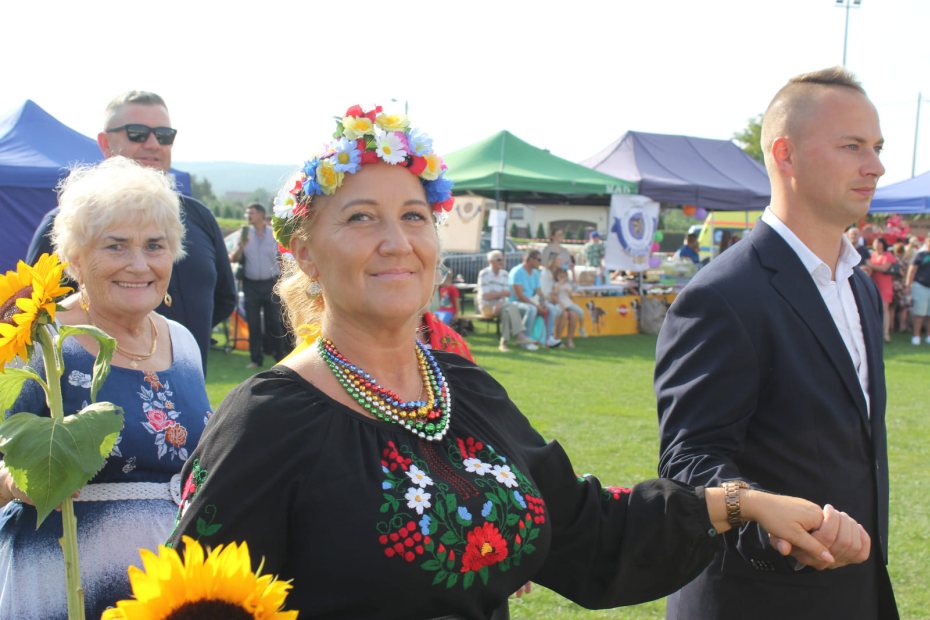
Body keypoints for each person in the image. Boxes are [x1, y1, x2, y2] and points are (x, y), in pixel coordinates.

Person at [167, 103, 863, 619]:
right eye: (360, 217)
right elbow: (196, 604)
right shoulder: (269, 421)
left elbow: (585, 530)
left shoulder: (463, 391)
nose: (396, 241)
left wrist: (740, 503)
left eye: (414, 216)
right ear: (305, 254)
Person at [655, 67, 898, 619]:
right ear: (785, 154)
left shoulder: (859, 286)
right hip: (755, 598)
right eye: (852, 146)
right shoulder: (722, 296)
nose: (876, 166)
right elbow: (690, 461)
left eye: (878, 147)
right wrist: (782, 531)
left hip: (853, 592)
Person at [0, 157, 212, 619]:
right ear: (75, 258)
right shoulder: (39, 342)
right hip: (61, 589)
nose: (139, 264)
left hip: (164, 592)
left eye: (155, 246)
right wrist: (13, 482)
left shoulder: (184, 343)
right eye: (116, 246)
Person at [25, 91, 236, 375]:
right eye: (137, 133)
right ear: (105, 143)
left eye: (164, 135)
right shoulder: (68, 224)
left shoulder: (198, 217)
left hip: (186, 383)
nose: (153, 144)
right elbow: (36, 315)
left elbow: (224, 298)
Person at [229, 203, 287, 369]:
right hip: (251, 284)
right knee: (253, 323)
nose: (248, 216)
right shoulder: (243, 234)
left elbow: (281, 257)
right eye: (247, 213)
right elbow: (234, 258)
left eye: (252, 213)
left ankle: (280, 357)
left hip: (271, 283)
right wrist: (241, 245)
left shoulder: (273, 234)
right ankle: (256, 359)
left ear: (261, 214)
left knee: (274, 322)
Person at [476, 250, 538, 352]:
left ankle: (503, 344)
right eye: (499, 259)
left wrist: (499, 300)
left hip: (501, 305)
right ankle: (520, 336)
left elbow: (508, 293)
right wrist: (501, 295)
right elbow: (485, 296)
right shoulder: (484, 274)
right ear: (491, 261)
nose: (502, 261)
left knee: (507, 311)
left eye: (502, 259)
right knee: (510, 307)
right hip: (486, 306)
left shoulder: (505, 274)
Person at [510, 250, 561, 348]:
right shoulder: (517, 272)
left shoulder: (535, 273)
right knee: (532, 309)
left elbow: (539, 292)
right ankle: (526, 340)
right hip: (515, 302)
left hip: (530, 301)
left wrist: (542, 303)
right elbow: (520, 296)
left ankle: (548, 338)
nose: (540, 262)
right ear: (530, 259)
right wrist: (537, 306)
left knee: (551, 308)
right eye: (539, 260)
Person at [866, 237, 897, 342]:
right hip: (873, 283)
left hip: (885, 285)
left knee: (884, 308)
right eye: (875, 243)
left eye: (879, 243)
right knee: (873, 308)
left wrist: (870, 265)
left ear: (883, 244)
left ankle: (886, 333)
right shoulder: (872, 255)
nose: (876, 245)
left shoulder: (887, 255)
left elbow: (884, 268)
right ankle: (875, 332)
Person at [551, 267, 585, 348]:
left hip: (568, 304)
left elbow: (571, 293)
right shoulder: (556, 284)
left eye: (564, 276)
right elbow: (554, 294)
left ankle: (572, 337)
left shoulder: (568, 285)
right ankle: (556, 338)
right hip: (560, 305)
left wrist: (570, 292)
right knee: (563, 314)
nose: (562, 278)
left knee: (575, 314)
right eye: (560, 276)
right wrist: (559, 285)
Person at [905, 236, 930, 345]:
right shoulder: (920, 255)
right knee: (919, 313)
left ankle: (929, 336)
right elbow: (912, 270)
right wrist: (908, 285)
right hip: (920, 286)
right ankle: (916, 336)